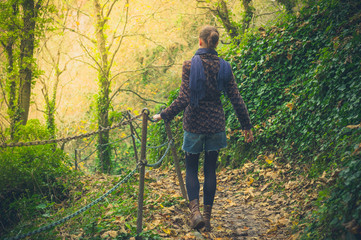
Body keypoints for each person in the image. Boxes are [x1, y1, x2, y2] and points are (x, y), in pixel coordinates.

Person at [153, 25, 253, 232]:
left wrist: (164, 114)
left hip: (194, 125)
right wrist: (246, 125)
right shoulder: (224, 67)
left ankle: (195, 213)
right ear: (215, 42)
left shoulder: (189, 65)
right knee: (210, 171)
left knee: (191, 168)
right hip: (216, 125)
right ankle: (207, 219)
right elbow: (235, 97)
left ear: (200, 41)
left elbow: (184, 98)